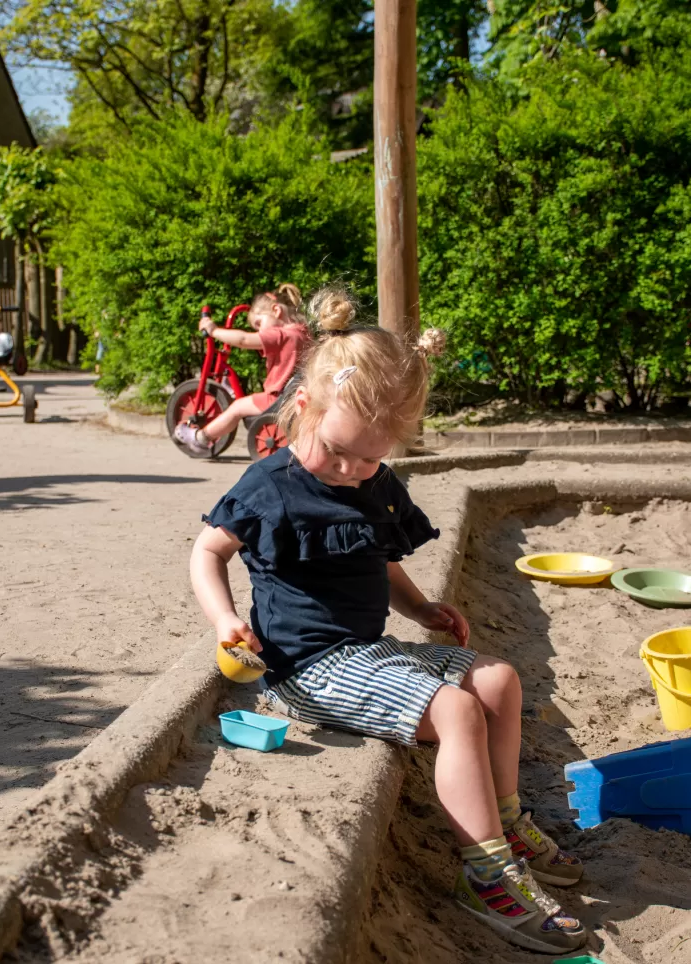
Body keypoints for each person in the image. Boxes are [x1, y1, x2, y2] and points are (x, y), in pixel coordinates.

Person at [190, 287, 586, 955]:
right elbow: (207, 551)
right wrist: (226, 619)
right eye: (338, 452)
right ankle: (487, 876)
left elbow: (378, 561)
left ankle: (508, 821)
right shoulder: (268, 485)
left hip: (368, 652)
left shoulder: (374, 483)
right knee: (458, 713)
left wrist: (421, 607)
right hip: (305, 671)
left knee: (498, 682)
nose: (349, 470)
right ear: (303, 408)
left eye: (368, 459)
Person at [174, 283, 309, 454]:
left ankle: (201, 438)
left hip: (276, 399)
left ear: (276, 311)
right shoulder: (303, 332)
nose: (260, 330)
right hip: (295, 394)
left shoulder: (281, 335)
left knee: (237, 407)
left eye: (259, 323)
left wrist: (213, 330)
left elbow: (244, 340)